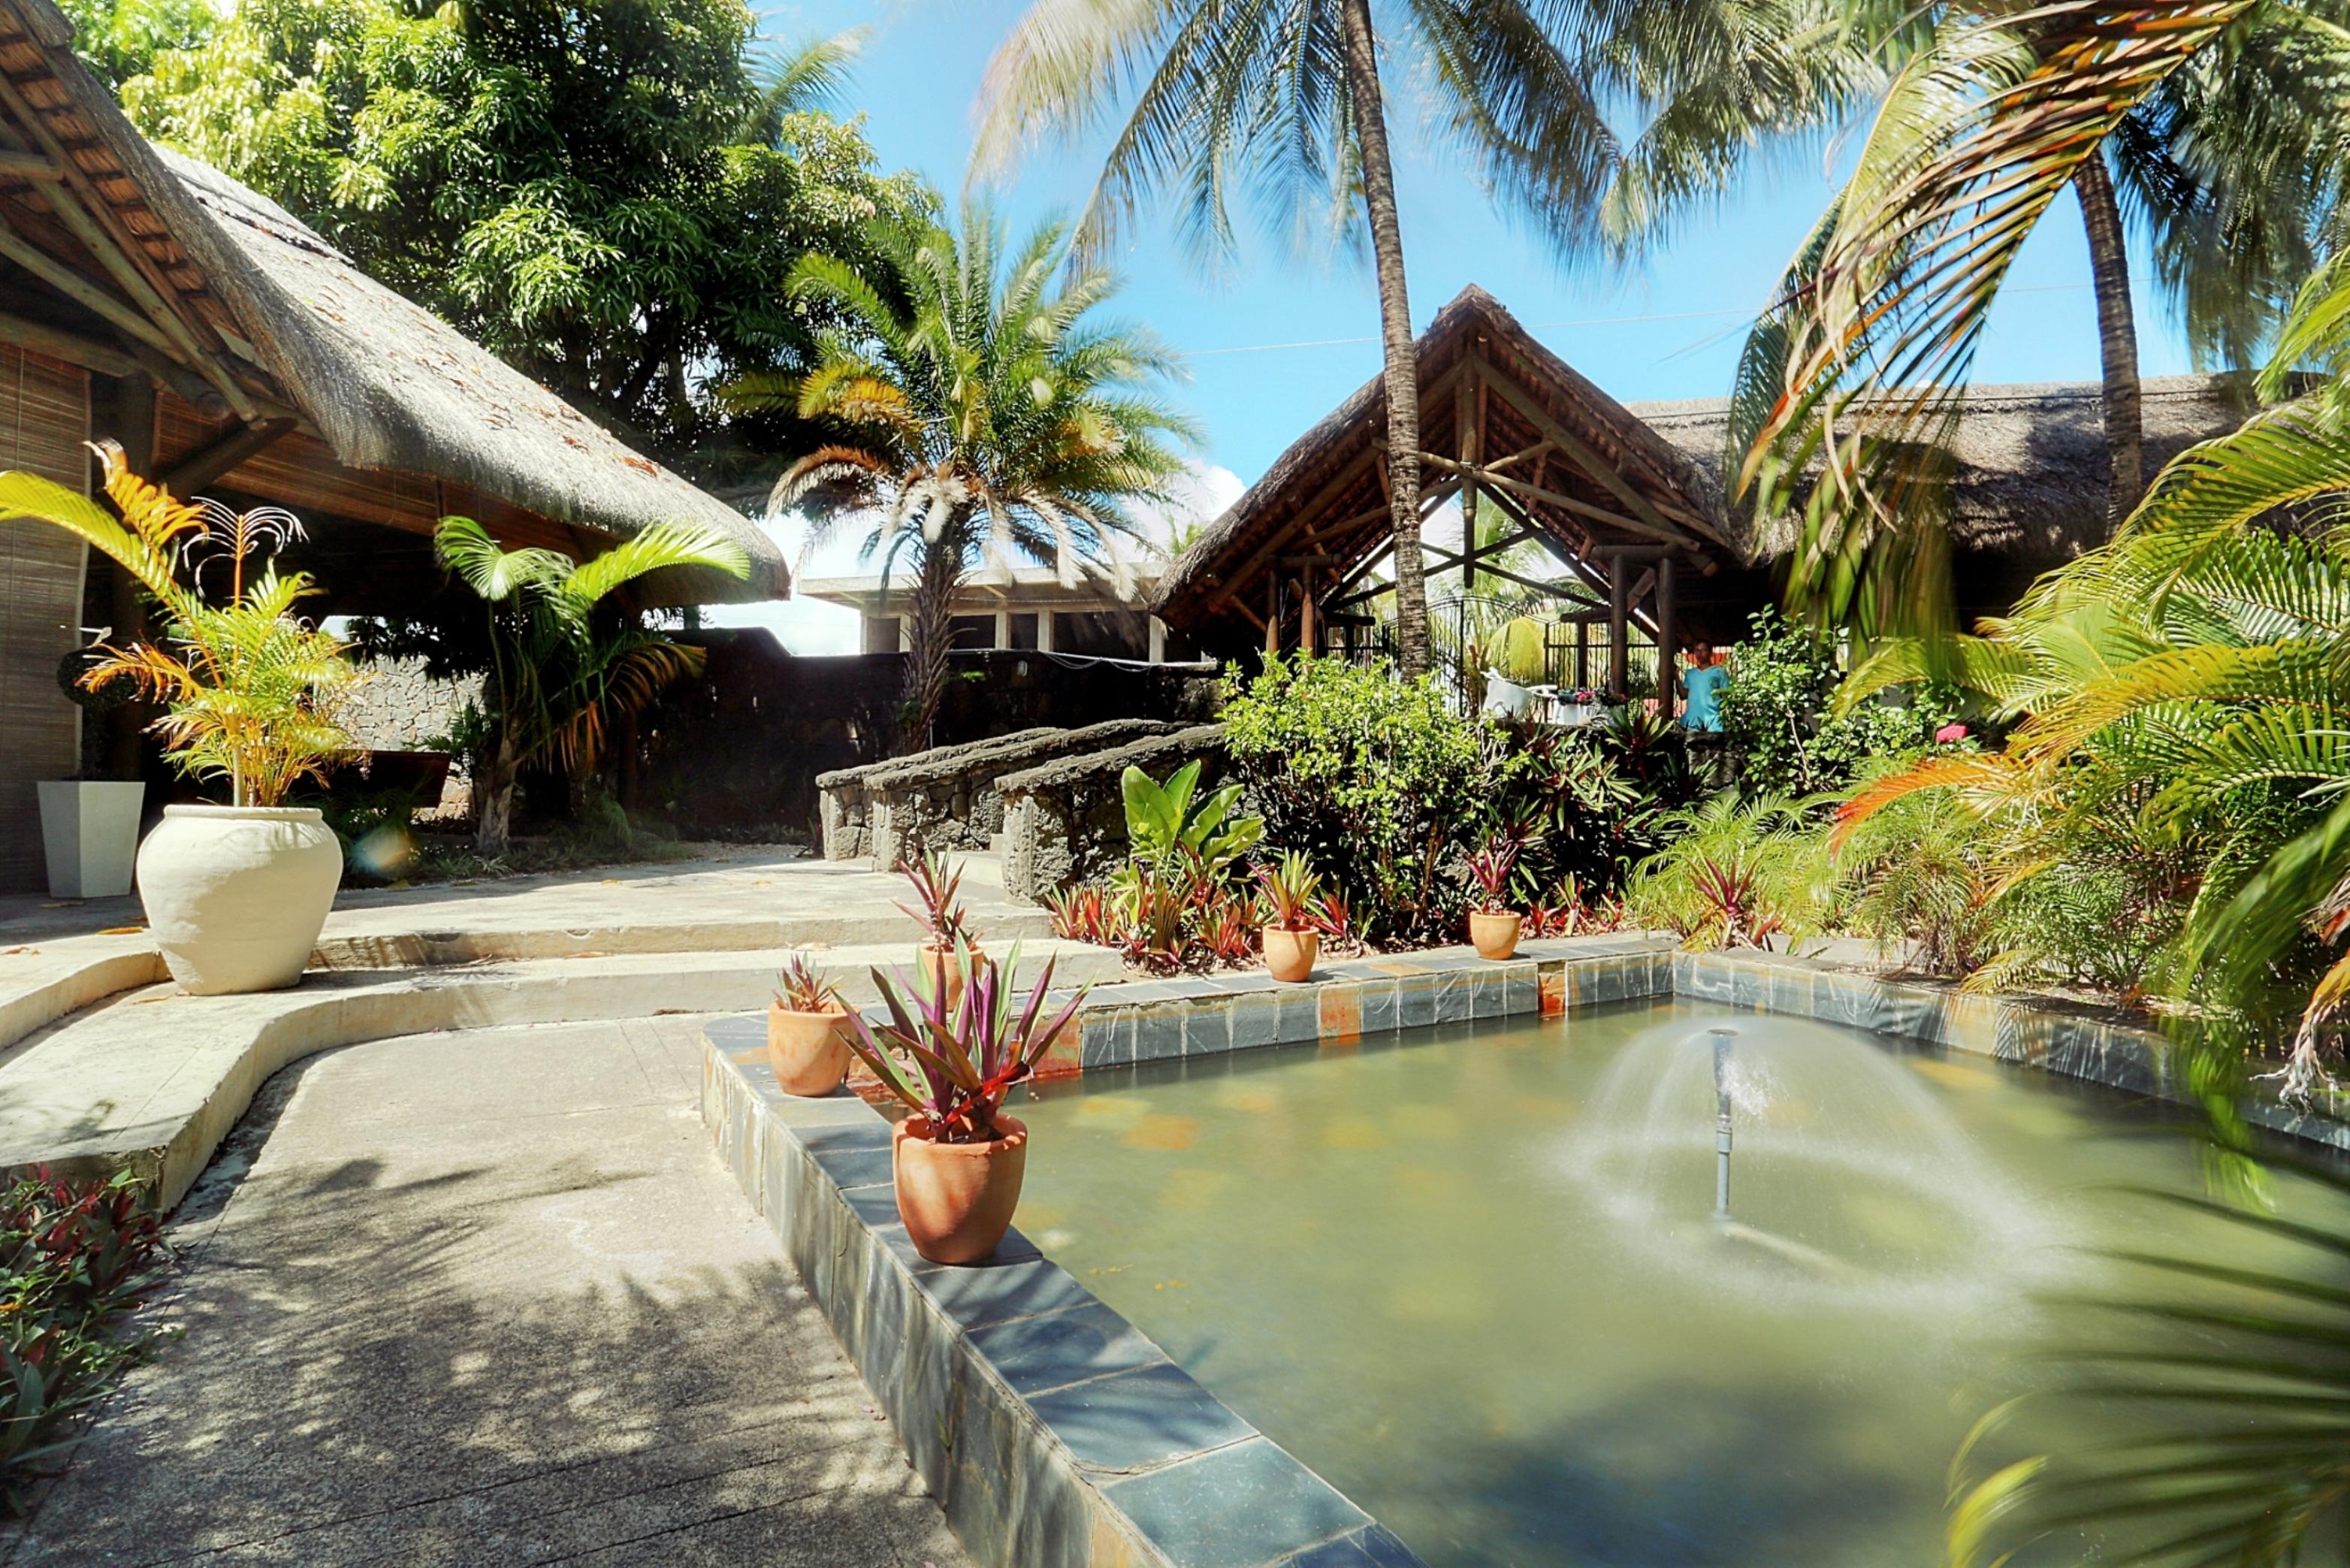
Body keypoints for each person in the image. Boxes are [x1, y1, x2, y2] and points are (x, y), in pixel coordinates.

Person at [1681, 642, 1729, 733]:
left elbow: (1726, 697)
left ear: (1710, 653)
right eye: (1697, 650)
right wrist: (1675, 675)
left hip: (1713, 722)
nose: (1700, 653)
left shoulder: (1720, 672)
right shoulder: (1690, 673)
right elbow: (1683, 695)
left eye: (1704, 650)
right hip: (1691, 721)